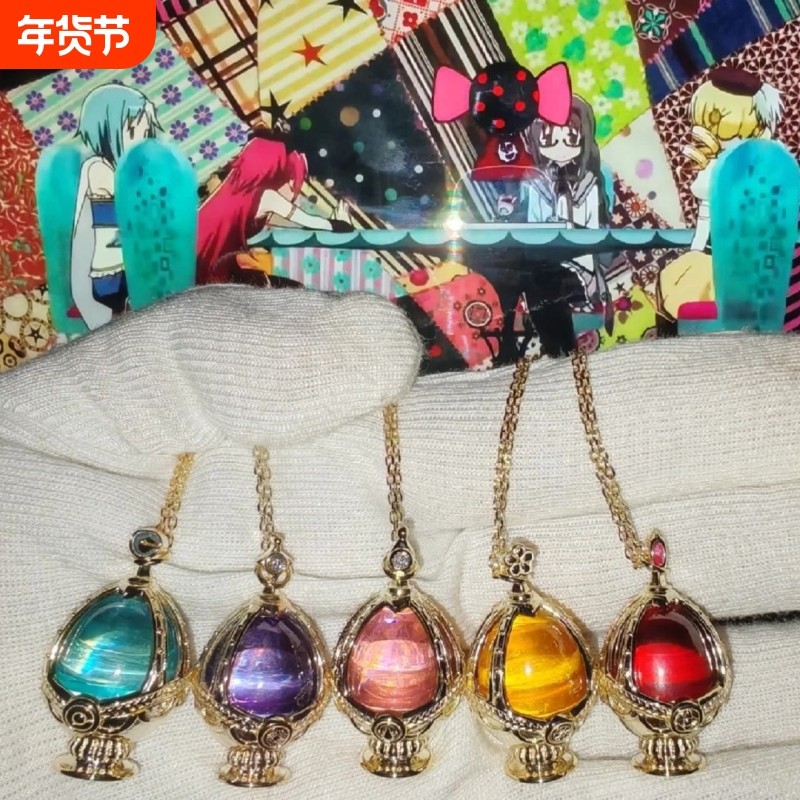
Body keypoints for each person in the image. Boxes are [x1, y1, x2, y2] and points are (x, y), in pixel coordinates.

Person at [657, 67, 783, 327]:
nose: (714, 133)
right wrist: (695, 252)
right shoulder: (714, 168)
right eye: (708, 124)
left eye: (727, 130)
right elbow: (705, 215)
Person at [196, 135, 353, 285]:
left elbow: (287, 224)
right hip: (211, 258)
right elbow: (307, 220)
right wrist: (340, 225)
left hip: (199, 250)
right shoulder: (267, 197)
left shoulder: (233, 187)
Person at [71, 84, 160, 329]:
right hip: (111, 274)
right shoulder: (98, 168)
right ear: (108, 130)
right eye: (134, 131)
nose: (142, 141)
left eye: (146, 132)